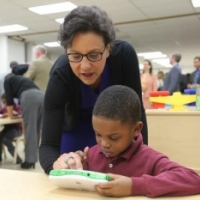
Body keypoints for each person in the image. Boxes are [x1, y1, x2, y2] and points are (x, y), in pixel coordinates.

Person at [39, 6, 148, 174]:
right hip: (74, 133)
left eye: (94, 54)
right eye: (75, 56)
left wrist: (141, 161)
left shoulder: (124, 56)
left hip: (115, 133)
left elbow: (137, 115)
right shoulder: (61, 74)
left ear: (108, 49)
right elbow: (47, 146)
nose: (85, 66)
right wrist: (57, 166)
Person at [64, 85, 200, 198]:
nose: (104, 144)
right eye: (98, 134)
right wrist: (73, 166)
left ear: (136, 129)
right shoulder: (92, 155)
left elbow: (194, 179)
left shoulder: (150, 159)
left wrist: (133, 186)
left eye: (114, 137)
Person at [4, 74, 44, 169]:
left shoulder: (7, 81)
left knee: (30, 129)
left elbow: (9, 100)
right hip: (42, 95)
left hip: (29, 97)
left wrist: (10, 115)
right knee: (37, 129)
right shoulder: (22, 80)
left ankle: (29, 160)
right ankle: (33, 159)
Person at [0, 93, 22, 163]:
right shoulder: (4, 109)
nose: (5, 104)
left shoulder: (17, 107)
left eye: (6, 102)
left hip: (16, 130)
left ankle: (17, 158)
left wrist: (10, 114)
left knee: (5, 139)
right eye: (3, 103)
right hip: (7, 129)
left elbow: (20, 115)